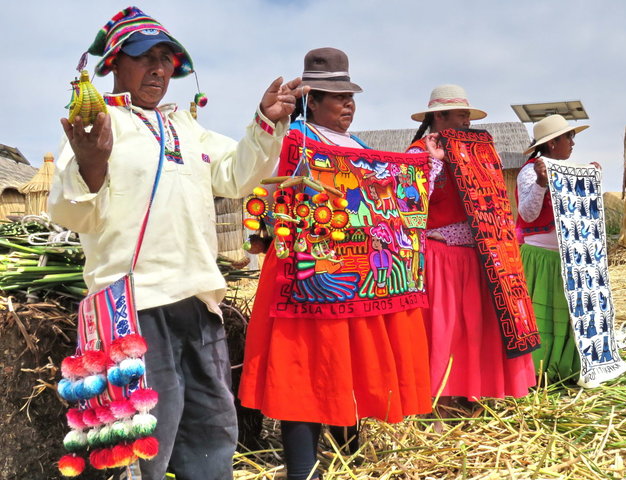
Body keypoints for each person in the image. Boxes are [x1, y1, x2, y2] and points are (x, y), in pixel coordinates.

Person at [48, 6, 303, 480]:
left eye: (167, 60)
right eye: (147, 57)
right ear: (115, 66)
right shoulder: (97, 126)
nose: (159, 69)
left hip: (199, 302)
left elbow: (236, 175)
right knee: (144, 443)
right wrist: (92, 163)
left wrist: (266, 121)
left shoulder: (188, 128)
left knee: (210, 433)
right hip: (135, 306)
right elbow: (68, 211)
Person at [238, 48, 432, 480]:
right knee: (303, 367)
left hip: (358, 276)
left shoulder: (358, 147)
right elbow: (265, 191)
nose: (348, 104)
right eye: (336, 96)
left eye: (350, 96)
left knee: (345, 362)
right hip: (303, 274)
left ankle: (349, 456)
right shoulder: (294, 139)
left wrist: (422, 166)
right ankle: (303, 469)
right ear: (312, 100)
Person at [406, 84, 536, 407]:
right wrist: (435, 163)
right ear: (439, 116)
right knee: (445, 332)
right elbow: (410, 202)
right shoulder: (417, 153)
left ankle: (472, 395)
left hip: (478, 257)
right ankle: (440, 404)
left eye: (467, 115)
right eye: (461, 115)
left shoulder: (475, 153)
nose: (466, 122)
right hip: (440, 259)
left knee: (473, 332)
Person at [515, 114, 590, 383]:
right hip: (541, 260)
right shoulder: (530, 172)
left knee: (571, 317)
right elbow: (528, 213)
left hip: (570, 259)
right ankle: (536, 373)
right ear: (552, 143)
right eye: (569, 137)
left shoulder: (570, 170)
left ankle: (565, 369)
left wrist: (590, 179)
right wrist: (541, 183)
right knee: (540, 318)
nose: (572, 142)